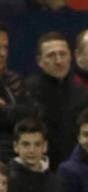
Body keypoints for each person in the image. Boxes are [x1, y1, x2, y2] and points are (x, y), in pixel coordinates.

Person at [26, 31, 88, 170]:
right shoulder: (28, 90)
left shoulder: (82, 93)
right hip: (41, 170)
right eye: (51, 55)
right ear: (39, 61)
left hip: (78, 168)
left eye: (63, 54)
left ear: (70, 56)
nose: (58, 60)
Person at [0, 24, 36, 163]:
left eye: (5, 47)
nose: (2, 53)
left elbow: (31, 115)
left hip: (19, 162)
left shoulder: (14, 80)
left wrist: (4, 109)